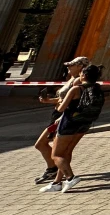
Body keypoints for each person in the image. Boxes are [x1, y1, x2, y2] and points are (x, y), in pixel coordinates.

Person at [40, 64, 105, 193]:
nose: (79, 75)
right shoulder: (97, 89)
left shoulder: (76, 89)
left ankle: (70, 178)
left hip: (69, 124)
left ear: (84, 75)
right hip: (84, 124)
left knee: (56, 155)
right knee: (67, 152)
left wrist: (53, 102)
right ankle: (57, 183)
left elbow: (61, 109)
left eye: (81, 73)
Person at [33, 56, 88, 186]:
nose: (68, 67)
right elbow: (63, 99)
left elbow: (74, 102)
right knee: (60, 150)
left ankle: (58, 172)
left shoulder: (78, 82)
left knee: (42, 144)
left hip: (63, 116)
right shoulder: (72, 79)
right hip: (59, 114)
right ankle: (56, 174)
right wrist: (48, 100)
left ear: (80, 67)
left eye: (71, 65)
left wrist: (62, 115)